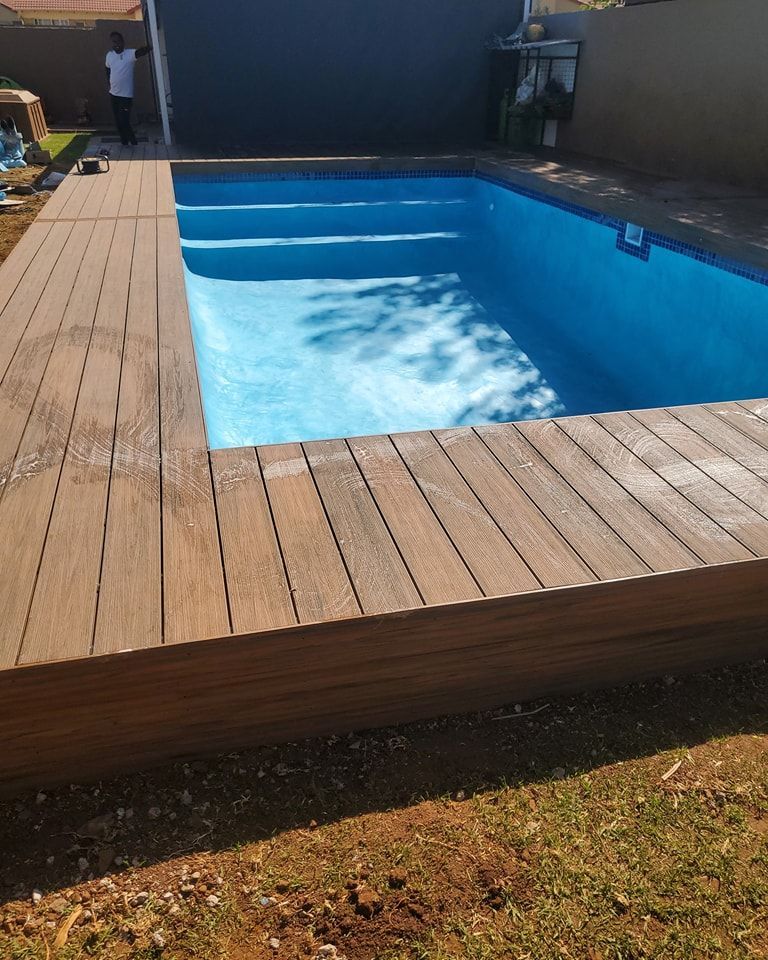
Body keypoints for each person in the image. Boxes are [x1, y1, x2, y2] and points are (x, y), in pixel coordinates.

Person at [105, 31, 150, 146]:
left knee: (124, 120)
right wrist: (109, 83)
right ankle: (124, 143)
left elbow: (140, 52)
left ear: (123, 42)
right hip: (113, 94)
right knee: (118, 122)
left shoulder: (129, 54)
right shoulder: (109, 55)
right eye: (114, 42)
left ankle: (134, 143)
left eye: (118, 41)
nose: (116, 44)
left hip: (125, 96)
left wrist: (149, 46)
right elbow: (107, 69)